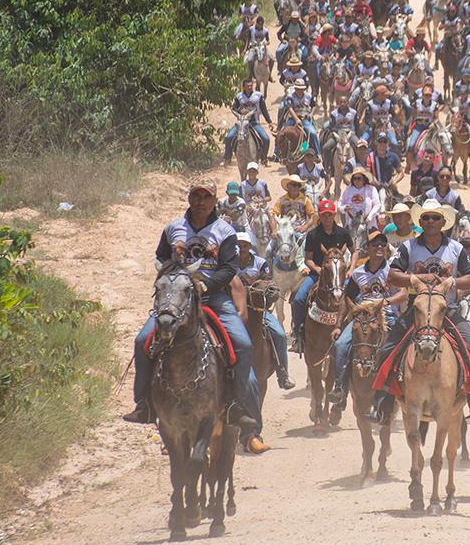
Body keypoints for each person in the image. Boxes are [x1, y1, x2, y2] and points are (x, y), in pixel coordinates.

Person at [124, 179, 263, 447]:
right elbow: (161, 260)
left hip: (213, 298)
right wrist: (172, 278)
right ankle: (144, 404)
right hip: (177, 300)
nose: (200, 201)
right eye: (196, 196)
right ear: (189, 198)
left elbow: (229, 268)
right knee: (143, 341)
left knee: (243, 344)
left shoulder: (224, 231)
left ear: (214, 200)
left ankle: (236, 405)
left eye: (206, 197)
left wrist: (205, 283)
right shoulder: (173, 228)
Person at [363, 199, 470, 424]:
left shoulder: (455, 248)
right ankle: (381, 403)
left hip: (448, 310)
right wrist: (416, 278)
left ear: (442, 222)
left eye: (435, 218)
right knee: (387, 348)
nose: (430, 222)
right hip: (416, 310)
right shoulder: (408, 247)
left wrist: (451, 282)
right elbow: (392, 275)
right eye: (426, 218)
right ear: (420, 221)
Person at [327, 230, 405, 406]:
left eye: (382, 244)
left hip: (388, 316)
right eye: (375, 244)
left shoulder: (393, 271)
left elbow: (403, 294)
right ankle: (340, 388)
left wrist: (386, 301)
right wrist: (338, 325)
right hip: (362, 316)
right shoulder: (358, 273)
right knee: (340, 345)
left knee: (406, 345)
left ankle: (404, 386)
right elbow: (346, 300)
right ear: (367, 248)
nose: (379, 247)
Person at [288, 199, 354, 353]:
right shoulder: (312, 234)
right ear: (319, 216)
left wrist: (351, 268)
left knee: (354, 298)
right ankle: (299, 334)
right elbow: (307, 259)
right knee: (298, 298)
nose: (327, 218)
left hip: (340, 274)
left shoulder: (343, 233)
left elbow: (355, 251)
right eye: (324, 215)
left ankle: (355, 332)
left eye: (329, 215)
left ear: (334, 215)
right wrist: (317, 269)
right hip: (318, 275)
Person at [234, 232, 294, 390]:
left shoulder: (260, 263)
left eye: (245, 245)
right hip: (234, 309)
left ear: (250, 246)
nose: (242, 248)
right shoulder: (229, 263)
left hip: (258, 309)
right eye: (239, 245)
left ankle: (283, 373)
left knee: (280, 334)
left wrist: (253, 284)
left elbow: (268, 282)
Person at [224, 78, 273, 165]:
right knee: (229, 137)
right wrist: (240, 111)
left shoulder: (258, 96)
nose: (249, 87)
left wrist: (269, 121)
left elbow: (263, 109)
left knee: (266, 138)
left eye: (251, 86)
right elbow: (234, 108)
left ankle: (264, 158)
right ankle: (227, 158)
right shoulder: (239, 97)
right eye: (247, 86)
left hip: (254, 123)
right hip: (241, 123)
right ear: (243, 87)